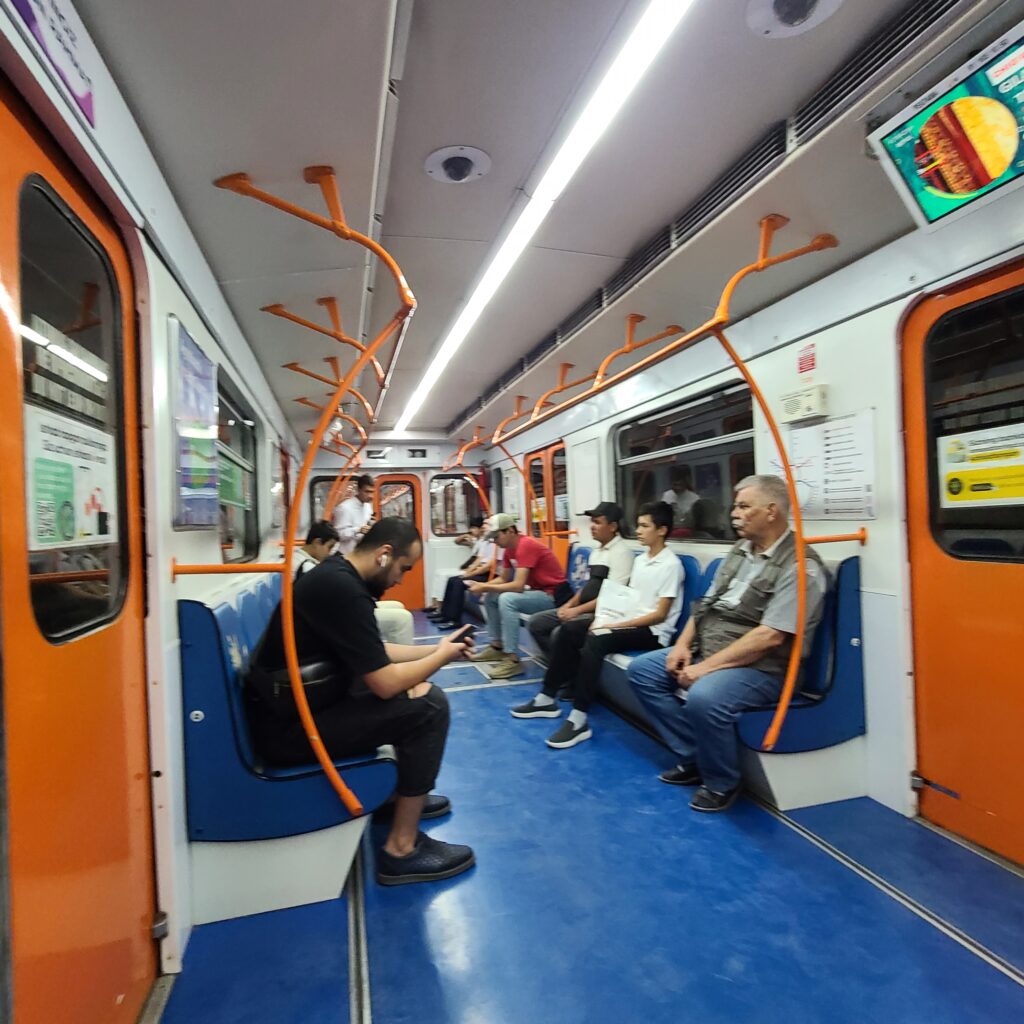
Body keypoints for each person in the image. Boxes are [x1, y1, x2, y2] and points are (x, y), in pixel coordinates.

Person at [248, 518, 476, 885]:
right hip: (288, 730)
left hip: (299, 707)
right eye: (404, 568)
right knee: (430, 708)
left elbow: (372, 651)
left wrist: (435, 648)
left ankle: (394, 797)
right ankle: (401, 850)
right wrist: (442, 659)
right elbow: (385, 683)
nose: (401, 578)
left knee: (415, 692)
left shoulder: (337, 575)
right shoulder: (342, 589)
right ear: (385, 555)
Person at [627, 475, 826, 813]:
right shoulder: (739, 551)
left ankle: (722, 781)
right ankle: (694, 756)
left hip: (764, 667)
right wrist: (682, 646)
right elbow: (706, 604)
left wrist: (705, 667)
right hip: (713, 646)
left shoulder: (801, 566)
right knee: (642, 670)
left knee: (704, 697)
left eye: (744, 506)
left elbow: (770, 636)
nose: (734, 513)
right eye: (736, 505)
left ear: (772, 511)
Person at [512, 501, 684, 750]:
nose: (638, 530)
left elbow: (660, 614)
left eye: (645, 526)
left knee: (598, 637)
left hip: (653, 632)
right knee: (571, 629)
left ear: (662, 530)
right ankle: (546, 697)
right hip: (629, 620)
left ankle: (579, 718)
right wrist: (608, 618)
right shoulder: (643, 560)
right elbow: (629, 599)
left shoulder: (671, 565)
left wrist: (616, 625)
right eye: (638, 525)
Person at [526, 501, 634, 669]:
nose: (592, 526)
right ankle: (564, 670)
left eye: (598, 522)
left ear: (613, 526)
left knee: (559, 633)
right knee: (536, 623)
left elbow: (612, 597)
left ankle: (566, 675)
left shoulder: (621, 553)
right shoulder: (597, 552)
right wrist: (569, 605)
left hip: (602, 612)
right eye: (592, 522)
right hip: (584, 607)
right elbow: (589, 585)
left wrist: (576, 611)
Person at [467, 513, 570, 680]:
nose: (495, 541)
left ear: (510, 531)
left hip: (554, 595)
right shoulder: (509, 550)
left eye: (497, 536)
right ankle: (497, 645)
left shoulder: (526, 545)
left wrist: (484, 585)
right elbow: (503, 578)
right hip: (539, 591)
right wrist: (486, 588)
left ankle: (512, 659)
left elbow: (518, 585)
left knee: (508, 600)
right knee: (492, 596)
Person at [427, 516, 495, 628]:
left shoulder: (494, 544)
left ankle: (455, 620)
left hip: (488, 575)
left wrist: (470, 574)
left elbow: (488, 566)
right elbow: (479, 559)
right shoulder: (486, 541)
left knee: (458, 583)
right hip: (480, 572)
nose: (483, 527)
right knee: (452, 580)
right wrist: (470, 571)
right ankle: (446, 615)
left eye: (486, 524)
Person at [335, 474, 375, 555]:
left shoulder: (367, 507)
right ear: (359, 490)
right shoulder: (344, 508)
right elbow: (338, 535)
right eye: (367, 492)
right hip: (346, 555)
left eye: (372, 492)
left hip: (360, 553)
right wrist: (358, 530)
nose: (370, 496)